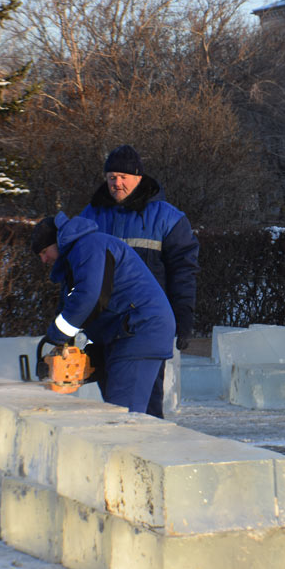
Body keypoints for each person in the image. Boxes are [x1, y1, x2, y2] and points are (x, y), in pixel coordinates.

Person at [78, 145, 199, 418]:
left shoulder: (169, 219)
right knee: (114, 404)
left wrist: (184, 317)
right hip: (104, 326)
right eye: (111, 177)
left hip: (145, 328)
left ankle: (149, 456)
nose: (116, 183)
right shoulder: (90, 216)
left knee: (145, 404)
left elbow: (183, 272)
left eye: (123, 177)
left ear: (138, 178)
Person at [30, 212, 175, 414]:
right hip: (125, 332)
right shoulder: (76, 259)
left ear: (57, 241)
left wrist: (57, 335)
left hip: (139, 330)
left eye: (44, 252)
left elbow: (90, 297)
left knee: (123, 416)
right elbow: (72, 306)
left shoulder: (89, 245)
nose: (44, 260)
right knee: (141, 417)